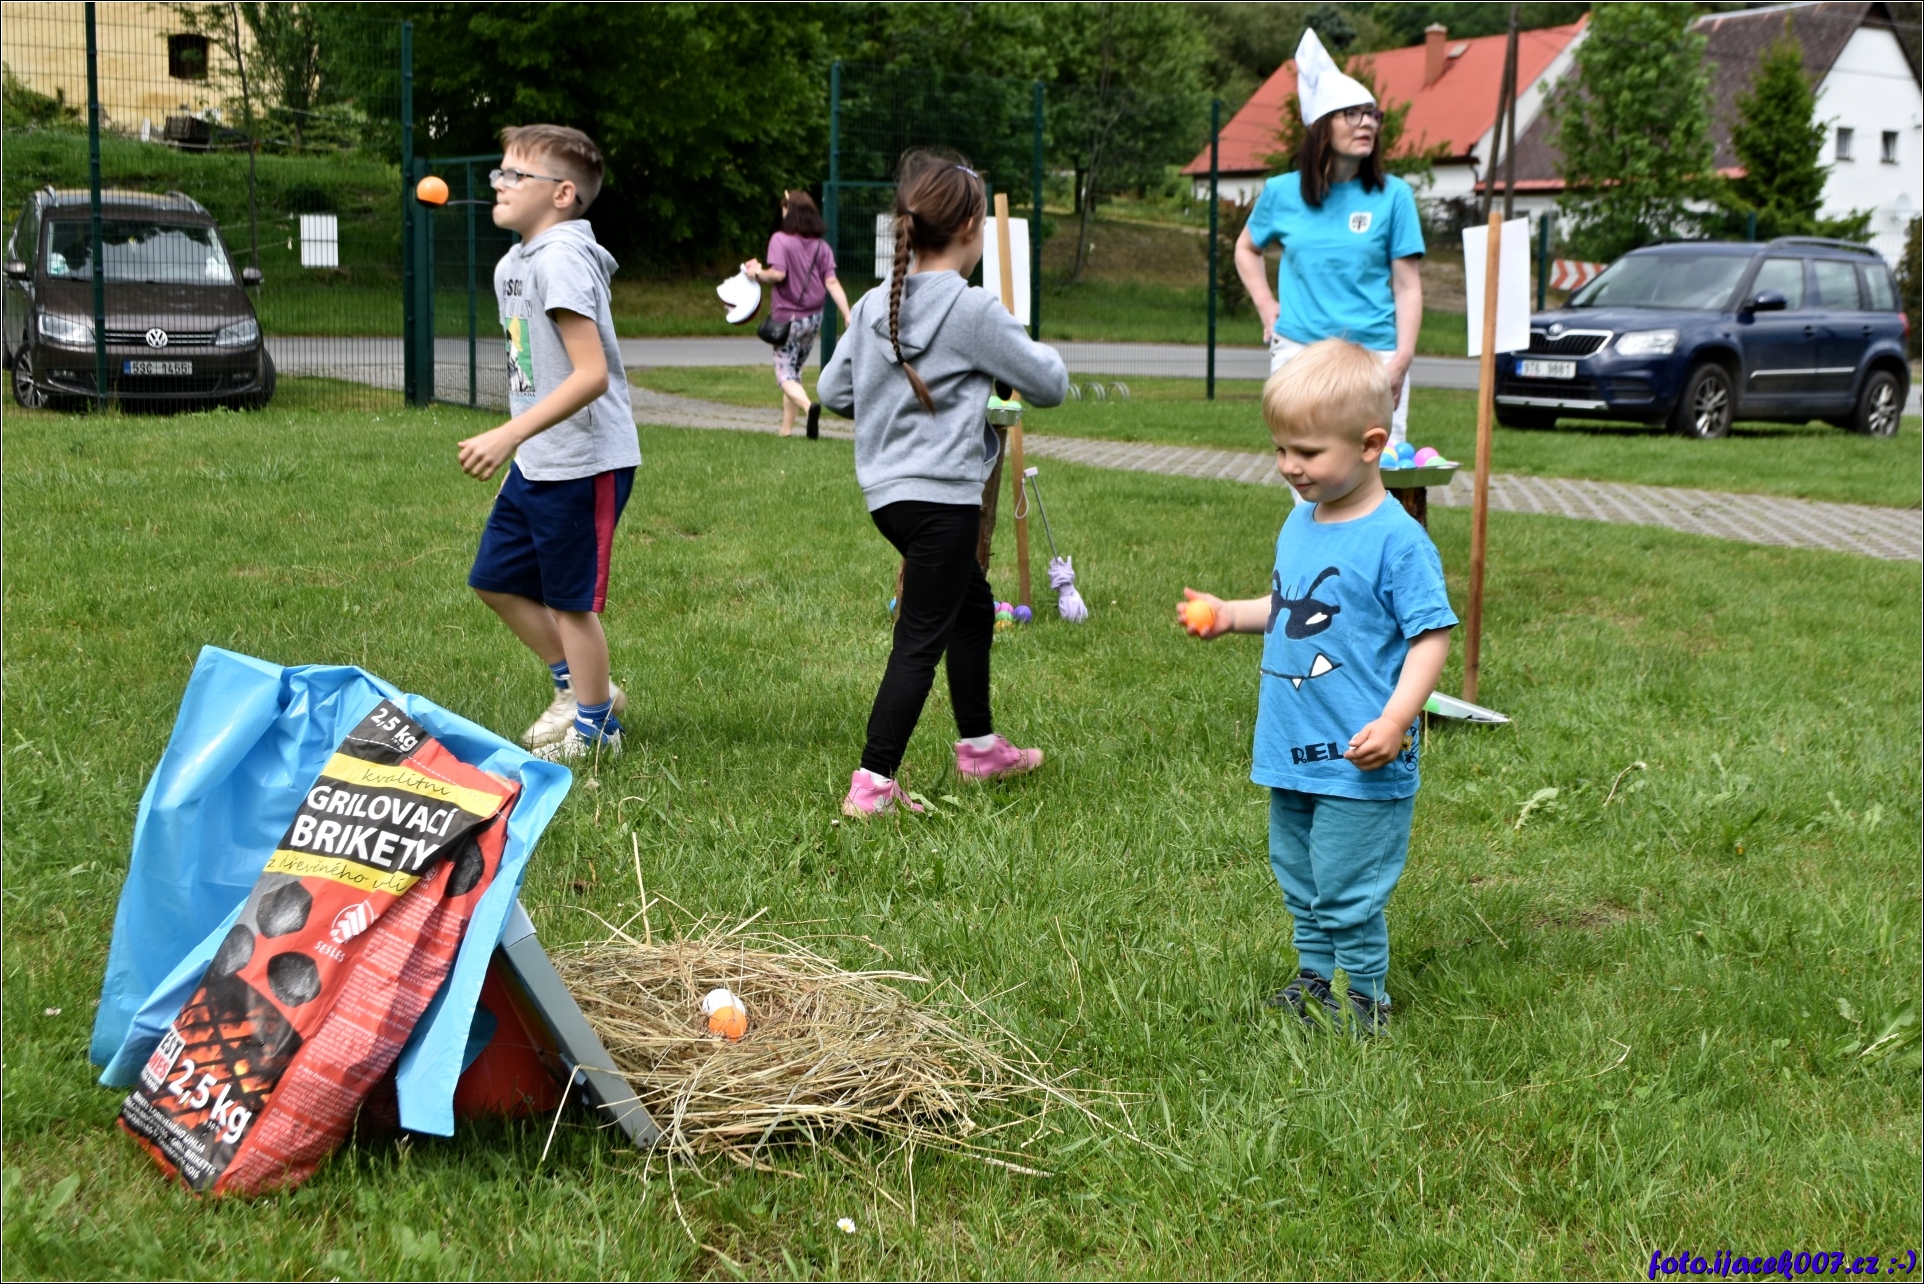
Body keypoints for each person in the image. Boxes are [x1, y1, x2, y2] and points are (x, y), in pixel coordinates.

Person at [1177, 339, 1456, 1035]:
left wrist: (1396, 720)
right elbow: (1289, 606)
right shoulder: (1300, 520)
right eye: (1280, 449)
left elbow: (1431, 636)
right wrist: (1231, 615)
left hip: (1360, 755)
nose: (1288, 466)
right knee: (1299, 874)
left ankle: (1365, 999)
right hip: (1293, 745)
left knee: (1347, 884)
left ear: (1370, 445)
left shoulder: (1398, 541)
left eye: (1306, 451)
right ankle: (1313, 979)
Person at [817, 151, 1068, 818]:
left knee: (973, 606)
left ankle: (980, 748)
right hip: (944, 502)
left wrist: (890, 406)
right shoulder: (972, 308)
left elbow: (832, 390)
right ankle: (872, 786)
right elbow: (1049, 384)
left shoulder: (874, 303)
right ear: (970, 228)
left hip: (889, 501)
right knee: (920, 639)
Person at [456, 124, 641, 763]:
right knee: (495, 580)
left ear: (562, 193)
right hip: (539, 459)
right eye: (499, 172)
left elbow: (591, 375)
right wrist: (522, 447)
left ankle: (596, 727)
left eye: (516, 175)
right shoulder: (515, 263)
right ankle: (578, 687)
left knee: (569, 602)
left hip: (583, 461)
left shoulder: (562, 259)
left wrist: (508, 433)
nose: (499, 184)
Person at [1234, 28, 1424, 452]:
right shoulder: (1281, 192)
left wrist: (1402, 360)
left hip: (1375, 357)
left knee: (1378, 471)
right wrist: (1266, 305)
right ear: (1322, 126)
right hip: (1299, 353)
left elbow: (1407, 285)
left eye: (1372, 114)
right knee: (1305, 469)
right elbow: (1246, 248)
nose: (1367, 123)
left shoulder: (1395, 196)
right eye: (1352, 114)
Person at [742, 191, 852, 438]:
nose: (782, 212)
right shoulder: (822, 247)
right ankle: (786, 430)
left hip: (788, 320)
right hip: (814, 319)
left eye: (785, 208)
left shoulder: (780, 240)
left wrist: (757, 273)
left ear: (790, 213)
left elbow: (778, 274)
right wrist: (847, 314)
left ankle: (808, 406)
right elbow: (832, 282)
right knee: (794, 372)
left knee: (784, 375)